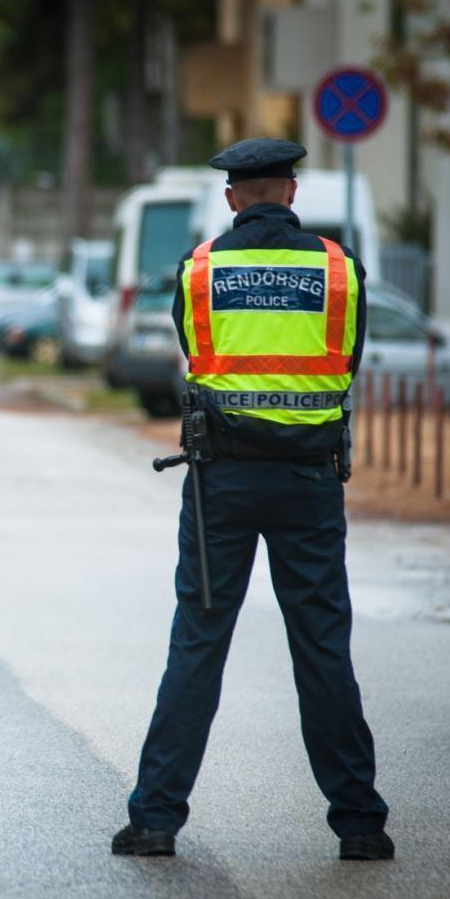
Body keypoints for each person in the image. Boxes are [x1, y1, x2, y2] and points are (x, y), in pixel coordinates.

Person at [111, 138, 393, 861]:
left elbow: (193, 356)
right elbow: (348, 361)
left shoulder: (200, 269)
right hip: (308, 480)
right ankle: (360, 825)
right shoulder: (339, 270)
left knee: (198, 643)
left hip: (222, 485)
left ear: (234, 197)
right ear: (291, 193)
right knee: (323, 647)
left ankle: (155, 821)